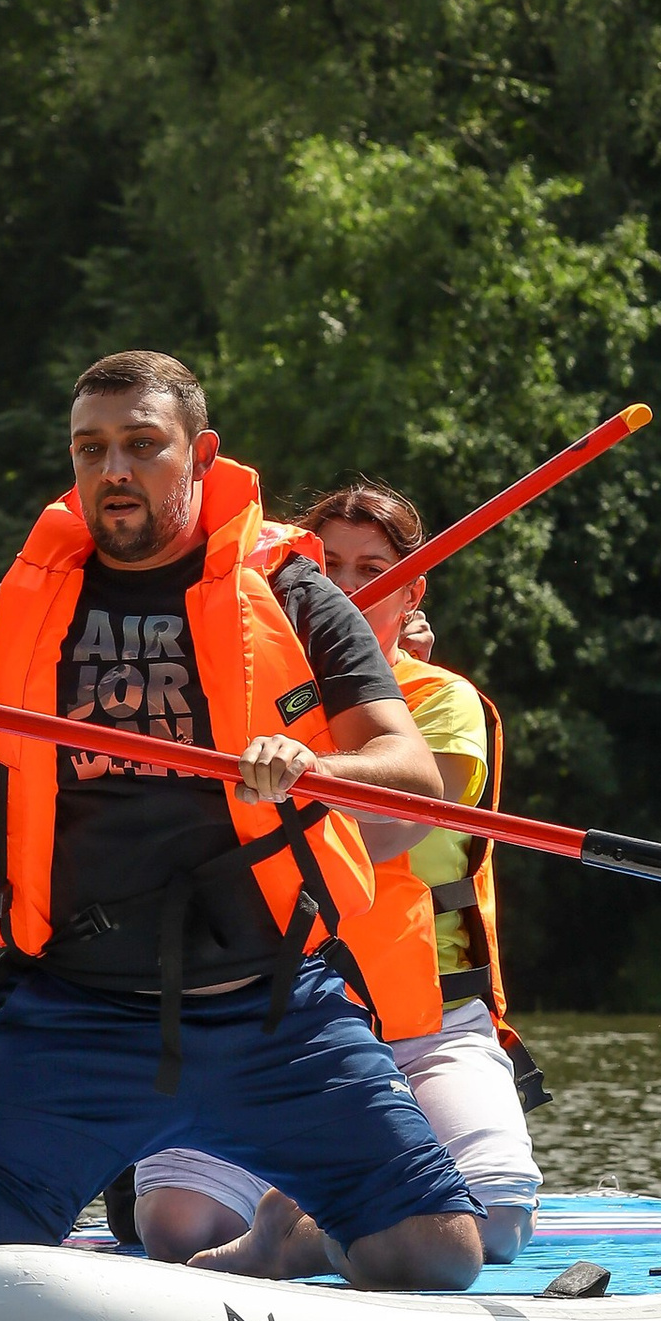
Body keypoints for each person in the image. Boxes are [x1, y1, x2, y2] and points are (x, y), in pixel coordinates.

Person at [0, 355, 485, 1292]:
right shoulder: (14, 615)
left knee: (434, 1257)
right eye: (91, 449)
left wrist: (313, 765)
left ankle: (289, 1237)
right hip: (74, 1012)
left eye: (142, 446)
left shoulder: (298, 598)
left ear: (200, 453)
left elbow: (409, 775)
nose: (114, 470)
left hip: (274, 1009)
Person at [127, 479, 542, 1273]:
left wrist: (298, 777)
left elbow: (392, 832)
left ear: (413, 590)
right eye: (331, 568)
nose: (351, 590)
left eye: (374, 570)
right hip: (267, 1014)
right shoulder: (231, 695)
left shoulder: (439, 702)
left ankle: (299, 1240)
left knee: (494, 1218)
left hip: (422, 1024)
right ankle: (284, 1214)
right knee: (174, 1229)